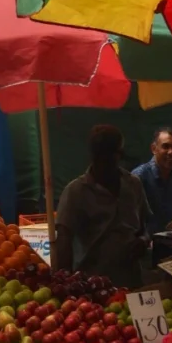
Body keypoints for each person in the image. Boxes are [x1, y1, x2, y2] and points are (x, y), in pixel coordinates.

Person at [55, 124, 151, 289]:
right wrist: (65, 284)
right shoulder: (76, 191)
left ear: (119, 155)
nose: (104, 162)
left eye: (110, 155)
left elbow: (145, 227)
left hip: (132, 281)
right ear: (92, 155)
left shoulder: (133, 184)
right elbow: (63, 240)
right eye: (100, 156)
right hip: (93, 286)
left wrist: (143, 241)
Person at [132, 127, 172, 234]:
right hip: (146, 245)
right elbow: (129, 218)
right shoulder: (139, 177)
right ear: (154, 149)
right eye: (165, 146)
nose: (171, 152)